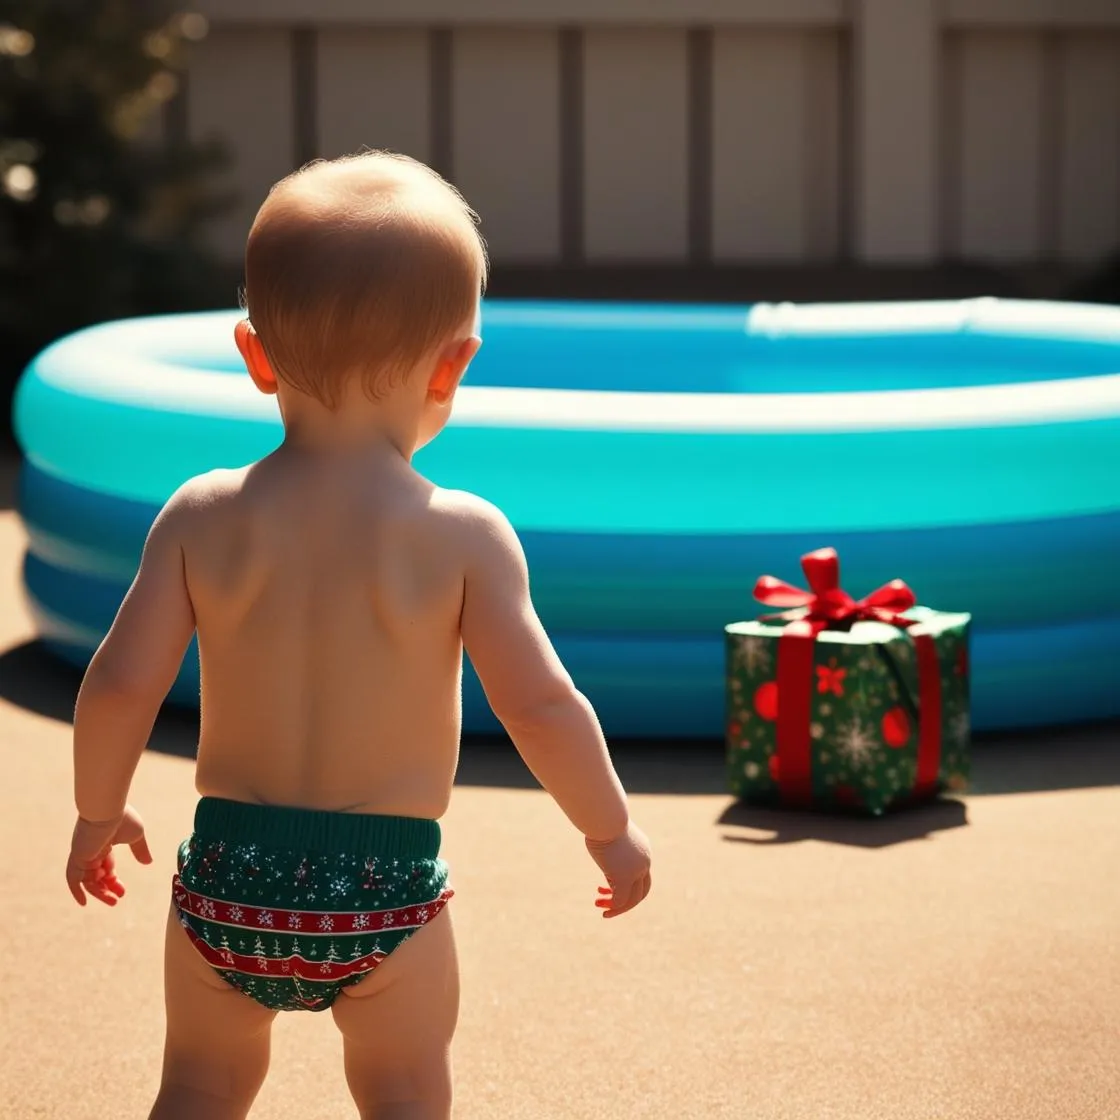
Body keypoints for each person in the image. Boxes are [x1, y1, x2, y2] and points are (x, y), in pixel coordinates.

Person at [64, 150, 652, 1120]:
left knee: (201, 1084)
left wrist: (98, 810)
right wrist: (609, 828)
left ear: (254, 356)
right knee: (404, 1088)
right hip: (383, 891)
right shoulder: (460, 534)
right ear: (453, 364)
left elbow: (120, 682)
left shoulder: (202, 514)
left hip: (226, 881)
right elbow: (541, 703)